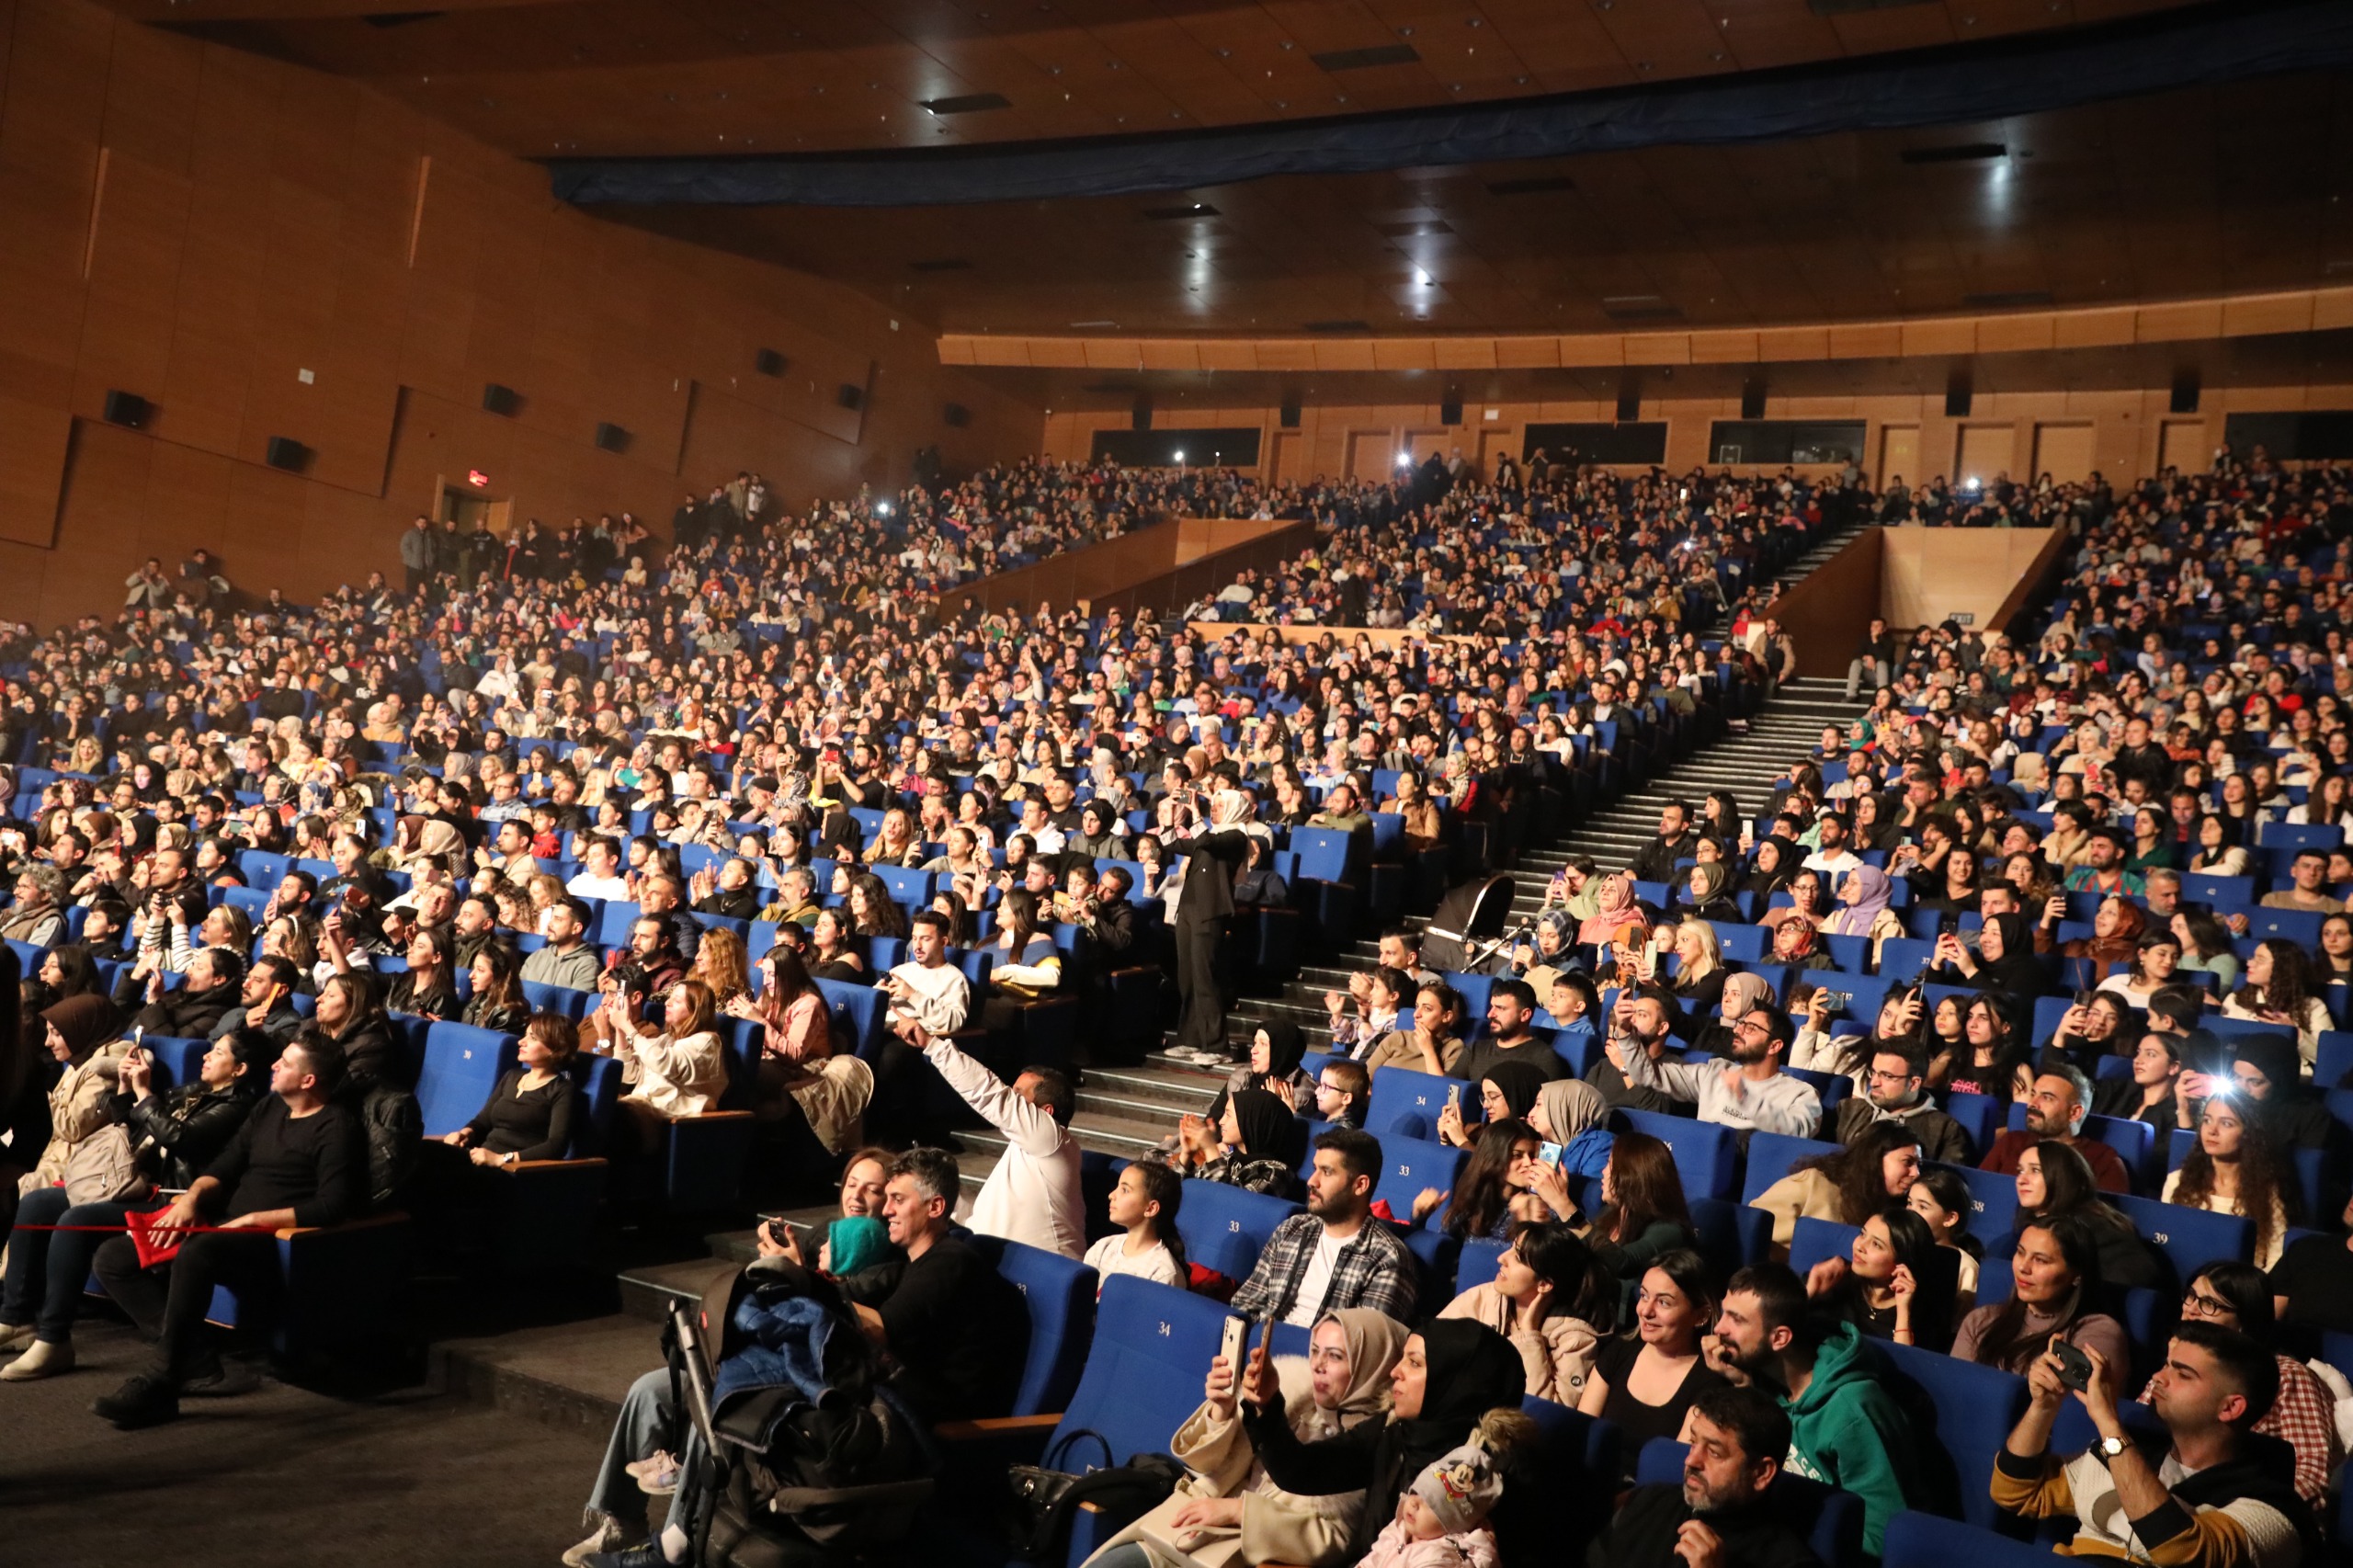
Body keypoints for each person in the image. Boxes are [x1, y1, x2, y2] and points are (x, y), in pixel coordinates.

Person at [88, 1035, 365, 1427]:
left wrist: (254, 1221)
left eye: (285, 1063)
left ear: (308, 1080)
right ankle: (196, 1358)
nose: (274, 1066)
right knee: (114, 1257)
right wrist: (190, 1199)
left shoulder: (337, 1126)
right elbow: (224, 1164)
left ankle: (162, 1380)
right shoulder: (269, 1107)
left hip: (272, 1243)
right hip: (224, 1227)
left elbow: (333, 1205)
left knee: (198, 1252)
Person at [0, 1028, 268, 1381]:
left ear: (240, 1069)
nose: (206, 1056)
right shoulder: (193, 1092)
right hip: (133, 1185)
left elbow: (180, 1139)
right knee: (37, 1202)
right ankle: (16, 1317)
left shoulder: (238, 1108)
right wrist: (128, 1088)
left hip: (168, 1200)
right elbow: (131, 1130)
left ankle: (54, 1340)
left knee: (74, 1221)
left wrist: (145, 1094)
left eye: (218, 1053)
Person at [1083, 1308, 1410, 1568]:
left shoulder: (1370, 1441)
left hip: (1241, 1555)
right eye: (1314, 1351)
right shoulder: (1289, 1392)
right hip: (1182, 1530)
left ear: (1373, 1364)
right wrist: (1223, 1411)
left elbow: (1335, 1542)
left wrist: (1238, 1513)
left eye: (1335, 1356)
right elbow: (1203, 1462)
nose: (1318, 1366)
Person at [1994, 1324, 2314, 1568]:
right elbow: (2014, 1492)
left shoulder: (2272, 1507)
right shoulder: (2129, 1451)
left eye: (2183, 1374)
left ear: (2230, 1408)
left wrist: (2108, 1423)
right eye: (2166, 1364)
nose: (2159, 1378)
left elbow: (2182, 1550)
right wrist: (2043, 1407)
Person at [1239, 1320, 1540, 1564]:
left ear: (1455, 1382)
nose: (1395, 1372)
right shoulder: (1395, 1428)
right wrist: (1268, 1405)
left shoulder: (1496, 1471)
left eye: (1414, 1363)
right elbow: (1302, 1471)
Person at [1701, 1264, 1919, 1556]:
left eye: (1736, 1320)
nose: (1719, 1329)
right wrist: (1742, 1387)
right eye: (1724, 1313)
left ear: (1780, 1338)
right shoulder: (1759, 1378)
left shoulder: (1853, 1411)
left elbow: (1882, 1536)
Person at [847, 1146, 1026, 1423]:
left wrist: (811, 1290)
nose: (886, 1210)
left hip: (943, 1426)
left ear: (935, 1207)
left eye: (898, 1199)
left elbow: (879, 1329)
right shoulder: (914, 1262)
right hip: (904, 1401)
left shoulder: (951, 1262)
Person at [2149, 1262, 2343, 1508]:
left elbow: (2310, 1475)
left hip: (2240, 1512)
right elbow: (2144, 1430)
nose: (2191, 1310)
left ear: (2244, 1322)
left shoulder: (2288, 1375)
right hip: (2161, 1496)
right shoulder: (2174, 1362)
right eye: (2191, 1297)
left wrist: (2231, 1513)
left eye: (2209, 1304)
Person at [1586, 1384, 1824, 1568]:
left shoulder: (1787, 1561)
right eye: (1693, 1443)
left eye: (1714, 1452)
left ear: (1761, 1473)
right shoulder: (1646, 1500)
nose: (1691, 1460)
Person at [1229, 1129, 1415, 1328]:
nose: (1312, 1181)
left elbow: (1361, 1349)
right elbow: (1245, 1303)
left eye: (1326, 1172)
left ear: (1360, 1185)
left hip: (1316, 1357)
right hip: (1261, 1347)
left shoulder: (1387, 1259)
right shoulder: (1292, 1229)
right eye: (1314, 1169)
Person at [922, 1030, 1084, 1259]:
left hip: (1043, 1272)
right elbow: (985, 1222)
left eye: (1018, 1096)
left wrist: (933, 1046)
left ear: (1046, 1112)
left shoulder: (1052, 1138)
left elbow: (990, 1094)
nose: (1012, 1100)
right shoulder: (1028, 1148)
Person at [1438, 1220, 1616, 1404]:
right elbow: (1430, 1347)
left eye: (1517, 1258)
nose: (1501, 1258)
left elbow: (1547, 1414)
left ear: (1544, 1284)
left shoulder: (1576, 1341)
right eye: (1511, 1248)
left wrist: (1530, 1336)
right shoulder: (1486, 1296)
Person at [1577, 1250, 1729, 1466]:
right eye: (1644, 1296)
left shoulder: (1709, 1383)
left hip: (1649, 1495)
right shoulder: (1619, 1350)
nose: (1645, 1311)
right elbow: (1582, 1433)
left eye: (1664, 1303)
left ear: (1701, 1316)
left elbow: (1673, 1469)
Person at [1952, 1212, 2129, 1374]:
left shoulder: (2096, 1333)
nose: (2023, 1268)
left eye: (2040, 1260)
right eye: (2020, 1253)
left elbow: (2079, 1407)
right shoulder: (1981, 1320)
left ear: (2076, 1275)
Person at [1608, 1003, 1821, 1137]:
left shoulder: (1799, 1093)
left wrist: (1746, 1098)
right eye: (1741, 1024)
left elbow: (1798, 1131)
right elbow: (1646, 1075)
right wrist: (1625, 1033)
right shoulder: (1715, 1073)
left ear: (1775, 1046)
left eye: (1750, 1028)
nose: (1737, 1030)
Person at [2001, 1137, 2162, 1290]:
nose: (2021, 1180)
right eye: (2020, 1171)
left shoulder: (2095, 1227)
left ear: (2061, 1177)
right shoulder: (2030, 1219)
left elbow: (2139, 1274)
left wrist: (2072, 1291)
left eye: (2035, 1170)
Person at [1169, 788, 1256, 1061]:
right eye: (1212, 804)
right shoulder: (1209, 836)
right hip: (1188, 910)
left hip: (1211, 911)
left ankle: (1218, 1046)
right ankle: (1191, 1039)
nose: (1213, 809)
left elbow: (1206, 841)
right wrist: (1170, 818)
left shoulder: (1236, 836)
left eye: (1219, 805)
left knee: (1206, 979)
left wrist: (1196, 813)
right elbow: (1172, 843)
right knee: (1187, 978)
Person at [1748, 1121, 1921, 1256]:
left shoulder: (1898, 1213)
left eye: (1918, 1165)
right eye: (1907, 1162)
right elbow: (1753, 1229)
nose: (1916, 1173)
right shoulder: (1814, 1183)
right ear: (1875, 1158)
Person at [2162, 1095, 2293, 1270]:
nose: (2212, 1130)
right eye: (2207, 1120)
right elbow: (2164, 1240)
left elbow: (2276, 1257)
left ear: (2248, 1133)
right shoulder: (2177, 1181)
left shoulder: (2266, 1191)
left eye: (2226, 1123)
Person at [1801, 1204, 1951, 1351]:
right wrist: (1810, 1290)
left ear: (1903, 1262)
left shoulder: (1922, 1315)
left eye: (1876, 1245)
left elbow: (1907, 1368)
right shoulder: (1833, 1277)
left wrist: (1903, 1310)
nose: (1860, 1246)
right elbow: (1784, 1333)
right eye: (1862, 1234)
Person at [1977, 1064, 2131, 1194]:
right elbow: (1978, 1193)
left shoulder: (2103, 1161)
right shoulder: (2011, 1142)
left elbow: (2106, 1223)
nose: (2033, 1104)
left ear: (2075, 1113)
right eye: (2033, 1094)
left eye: (2047, 1098)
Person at [1358, 1440, 1507, 1568]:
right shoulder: (1401, 1528)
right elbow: (1373, 1559)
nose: (1414, 1502)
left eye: (1430, 1503)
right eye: (1416, 1492)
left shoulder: (1441, 1558)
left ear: (1453, 1523)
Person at [1831, 1040, 1972, 1165]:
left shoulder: (1944, 1129)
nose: (1873, 1083)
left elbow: (1945, 1186)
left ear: (1914, 1083)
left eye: (1887, 1076)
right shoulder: (1846, 1110)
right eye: (1873, 1072)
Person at [1083, 1160, 1187, 1292]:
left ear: (1151, 1208)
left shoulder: (1163, 1273)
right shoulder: (1103, 1248)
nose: (1111, 1195)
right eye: (1117, 1187)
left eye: (1125, 1190)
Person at [1452, 979, 1569, 1086]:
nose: (1490, 1014)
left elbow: (1549, 1106)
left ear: (1524, 1015)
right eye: (1492, 1007)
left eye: (1500, 1008)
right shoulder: (1476, 1050)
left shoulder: (1543, 1058)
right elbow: (1449, 1088)